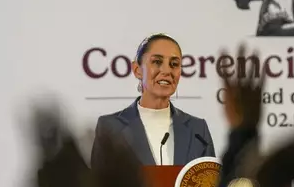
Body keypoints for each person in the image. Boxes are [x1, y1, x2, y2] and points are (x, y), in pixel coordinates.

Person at [91, 33, 215, 166]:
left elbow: (210, 183)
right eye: (157, 62)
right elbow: (99, 184)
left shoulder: (198, 129)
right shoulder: (110, 128)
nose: (166, 70)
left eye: (174, 64)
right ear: (137, 70)